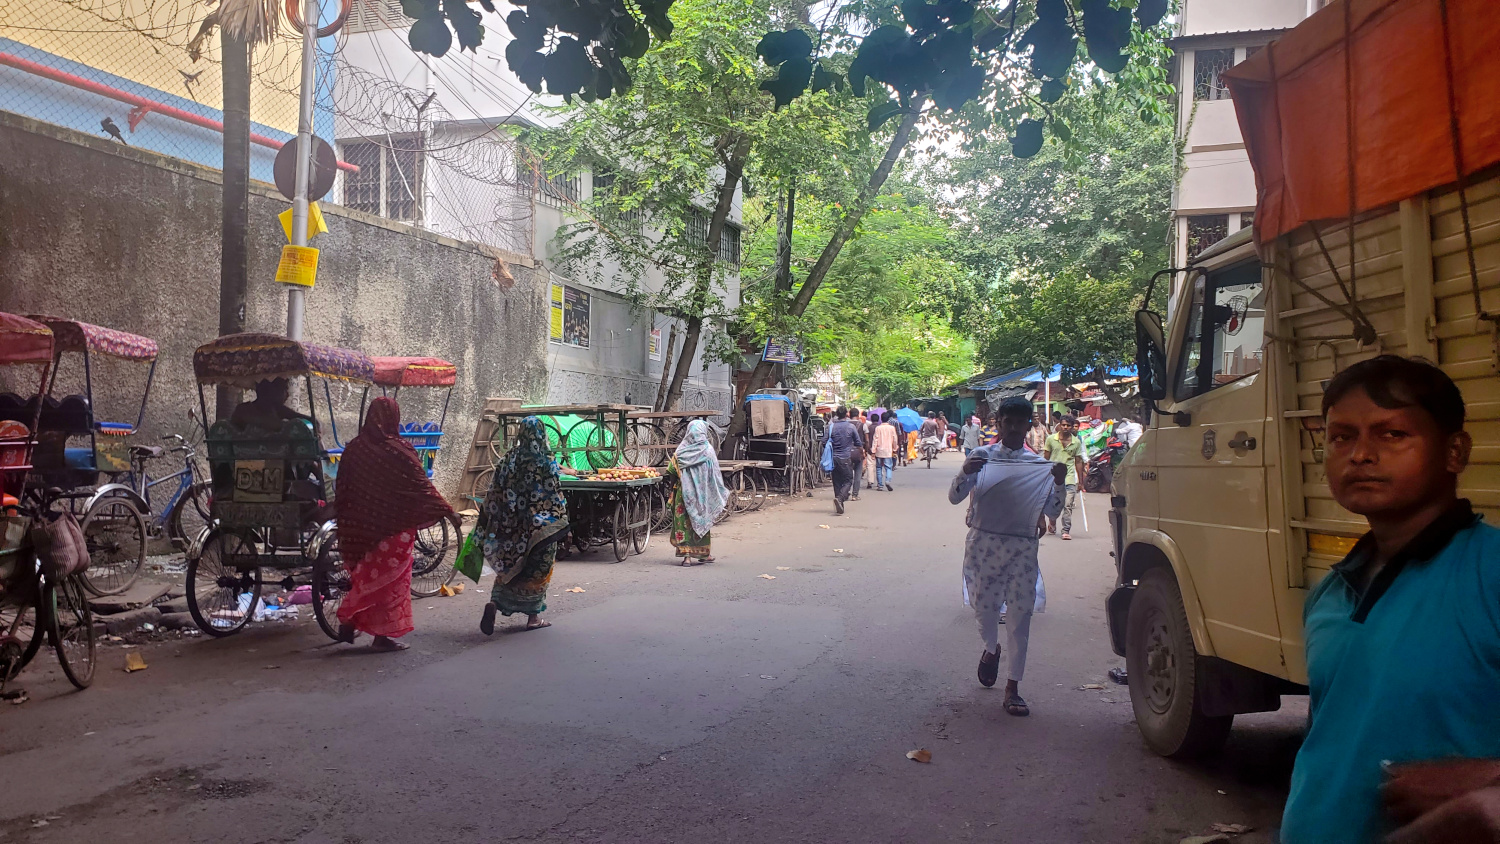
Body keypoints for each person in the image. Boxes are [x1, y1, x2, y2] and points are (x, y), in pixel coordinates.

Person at [1281, 356, 1500, 844]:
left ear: (1455, 452)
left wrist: (1489, 780)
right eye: (1341, 437)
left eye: (1392, 434)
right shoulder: (1330, 593)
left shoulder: (1490, 574)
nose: (1360, 455)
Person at [949, 396, 1066, 717]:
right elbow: (955, 498)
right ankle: (991, 648)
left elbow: (1053, 511)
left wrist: (1059, 484)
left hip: (1022, 550)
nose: (1014, 428)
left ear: (1030, 425)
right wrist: (964, 472)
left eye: (1020, 422)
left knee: (1019, 618)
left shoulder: (1037, 466)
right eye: (1008, 422)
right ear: (998, 423)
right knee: (984, 611)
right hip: (983, 547)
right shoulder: (981, 458)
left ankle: (1013, 687)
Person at [333, 398, 458, 652]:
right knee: (391, 582)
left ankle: (351, 619)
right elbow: (421, 486)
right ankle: (376, 634)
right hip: (392, 528)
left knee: (366, 575)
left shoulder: (354, 449)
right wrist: (447, 510)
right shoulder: (399, 450)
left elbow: (342, 488)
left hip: (359, 530)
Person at [477, 417, 573, 634]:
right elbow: (554, 495)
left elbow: (494, 492)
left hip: (512, 529)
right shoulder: (545, 462)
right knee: (538, 569)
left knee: (510, 566)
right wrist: (563, 522)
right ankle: (533, 617)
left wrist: (489, 521)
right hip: (540, 530)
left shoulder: (507, 460)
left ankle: (495, 603)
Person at [666, 419, 729, 566]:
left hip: (683, 495)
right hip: (703, 495)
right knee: (701, 521)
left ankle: (687, 557)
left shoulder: (681, 451)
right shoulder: (708, 451)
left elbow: (671, 471)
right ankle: (704, 553)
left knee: (683, 524)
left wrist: (671, 487)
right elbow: (714, 475)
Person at [1043, 415, 1086, 539]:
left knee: (1068, 504)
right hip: (1053, 477)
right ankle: (1052, 521)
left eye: (1068, 425)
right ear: (1060, 425)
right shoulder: (1051, 439)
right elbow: (1046, 458)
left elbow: (1078, 461)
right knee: (1054, 503)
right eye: (1063, 425)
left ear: (1072, 427)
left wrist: (1081, 482)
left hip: (1069, 477)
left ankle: (1065, 530)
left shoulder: (1076, 442)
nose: (1065, 427)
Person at [229, 377, 318, 435]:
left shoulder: (278, 409)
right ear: (270, 390)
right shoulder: (244, 410)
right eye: (284, 389)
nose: (287, 395)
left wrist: (314, 422)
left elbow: (298, 417)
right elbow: (270, 424)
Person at [827, 406, 863, 515]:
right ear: (846, 414)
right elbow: (858, 442)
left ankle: (840, 504)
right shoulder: (851, 427)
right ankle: (840, 498)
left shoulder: (831, 427)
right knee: (848, 480)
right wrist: (861, 451)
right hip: (845, 457)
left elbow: (824, 441)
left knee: (836, 481)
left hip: (833, 458)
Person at [871, 412, 899, 491]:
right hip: (888, 451)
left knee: (879, 468)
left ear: (881, 418)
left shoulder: (878, 428)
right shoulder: (892, 428)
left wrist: (873, 451)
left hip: (879, 450)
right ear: (888, 419)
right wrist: (895, 448)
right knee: (888, 467)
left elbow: (875, 440)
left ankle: (880, 485)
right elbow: (895, 439)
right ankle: (887, 481)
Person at [849, 407, 865, 501]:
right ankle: (855, 495)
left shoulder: (846, 425)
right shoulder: (862, 425)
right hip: (858, 451)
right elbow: (866, 439)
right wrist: (864, 450)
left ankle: (845, 492)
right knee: (858, 474)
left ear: (849, 415)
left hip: (847, 452)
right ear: (858, 415)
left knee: (848, 474)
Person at [860, 411, 878, 491]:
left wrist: (867, 449)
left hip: (870, 449)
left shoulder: (869, 427)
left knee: (870, 466)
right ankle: (879, 482)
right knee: (879, 466)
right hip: (879, 449)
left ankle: (870, 482)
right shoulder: (879, 428)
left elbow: (866, 439)